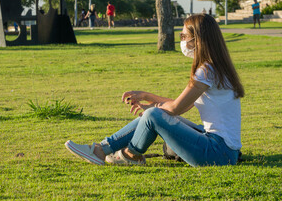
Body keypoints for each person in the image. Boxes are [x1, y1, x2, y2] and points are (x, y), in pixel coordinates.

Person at [65, 14, 244, 167]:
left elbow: (175, 108)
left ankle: (128, 154)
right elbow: (181, 105)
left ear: (197, 40)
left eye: (183, 36)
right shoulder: (216, 68)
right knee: (154, 115)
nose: (181, 40)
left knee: (153, 116)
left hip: (218, 152)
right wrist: (146, 97)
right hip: (223, 150)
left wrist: (152, 111)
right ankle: (103, 149)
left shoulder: (206, 71)